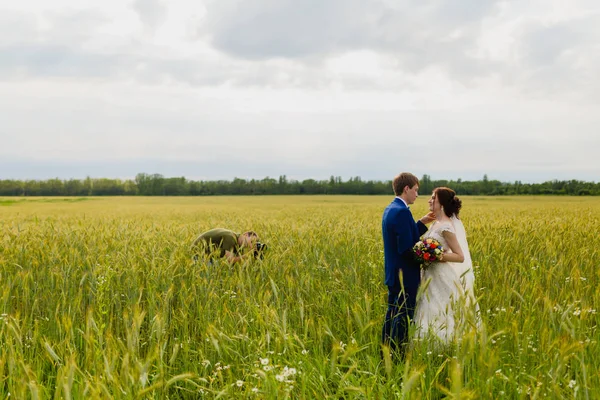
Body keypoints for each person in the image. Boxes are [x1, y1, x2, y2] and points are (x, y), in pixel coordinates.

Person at [413, 187, 480, 344]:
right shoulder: (436, 223)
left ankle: (445, 346)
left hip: (440, 275)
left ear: (441, 203)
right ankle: (425, 346)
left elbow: (460, 256)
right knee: (427, 310)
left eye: (433, 198)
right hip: (428, 275)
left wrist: (436, 256)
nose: (429, 200)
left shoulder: (446, 226)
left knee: (440, 311)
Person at [381, 172, 435, 355]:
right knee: (403, 319)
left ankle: (386, 352)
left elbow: (403, 236)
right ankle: (397, 356)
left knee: (392, 315)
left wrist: (421, 222)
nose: (417, 194)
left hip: (393, 273)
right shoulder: (402, 212)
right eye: (415, 190)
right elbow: (406, 248)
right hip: (406, 275)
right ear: (406, 189)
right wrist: (428, 258)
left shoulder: (391, 208)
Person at [191, 228, 265, 264]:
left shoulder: (239, 245)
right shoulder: (231, 238)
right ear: (245, 234)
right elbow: (230, 260)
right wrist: (248, 254)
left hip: (208, 257)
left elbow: (239, 262)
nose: (251, 245)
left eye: (253, 244)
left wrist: (257, 255)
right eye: (251, 241)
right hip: (198, 253)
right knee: (212, 276)